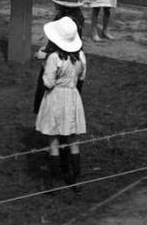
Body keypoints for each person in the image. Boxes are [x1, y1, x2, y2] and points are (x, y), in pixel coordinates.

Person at [35, 17, 87, 190]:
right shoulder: (80, 56)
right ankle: (75, 177)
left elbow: (48, 83)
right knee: (73, 139)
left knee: (53, 140)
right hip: (72, 97)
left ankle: (52, 181)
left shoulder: (54, 58)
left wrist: (43, 64)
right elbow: (81, 77)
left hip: (56, 97)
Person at [35, 0, 85, 114]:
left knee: (53, 100)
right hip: (70, 61)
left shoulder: (67, 21)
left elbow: (64, 47)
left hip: (62, 63)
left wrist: (45, 55)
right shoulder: (75, 16)